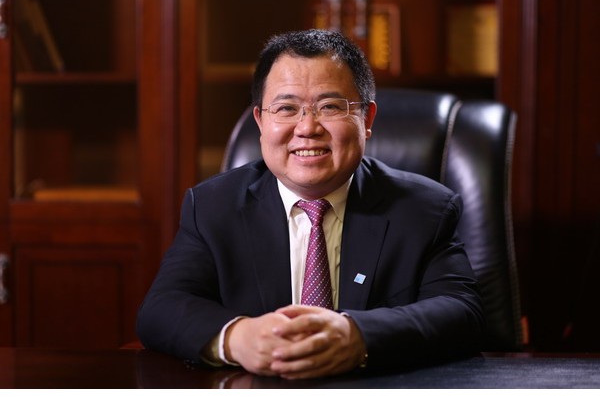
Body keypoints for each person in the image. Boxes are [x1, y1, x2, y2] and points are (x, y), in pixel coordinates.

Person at [136, 29, 484, 380]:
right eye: (286, 108)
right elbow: (161, 309)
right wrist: (237, 338)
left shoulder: (424, 210)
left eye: (330, 107)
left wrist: (357, 335)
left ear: (367, 120)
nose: (307, 128)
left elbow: (462, 311)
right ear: (260, 122)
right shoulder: (213, 207)